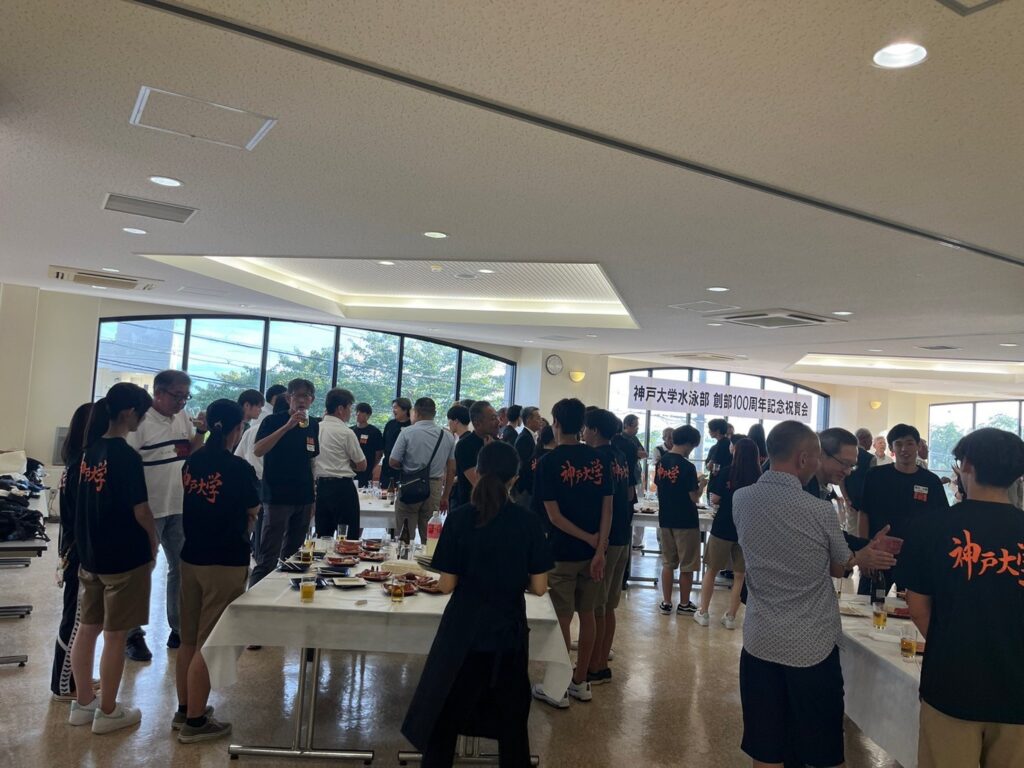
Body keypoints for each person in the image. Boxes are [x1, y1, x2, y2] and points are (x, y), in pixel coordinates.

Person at [732, 421, 895, 768]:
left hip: (759, 639)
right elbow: (840, 565)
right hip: (811, 644)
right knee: (822, 749)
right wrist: (863, 557)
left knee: (767, 745)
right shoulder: (819, 511)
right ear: (804, 458)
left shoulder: (741, 499)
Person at [401, 440, 552, 768]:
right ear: (514, 478)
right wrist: (514, 578)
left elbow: (447, 584)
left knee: (445, 714)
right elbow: (540, 588)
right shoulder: (528, 522)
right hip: (507, 632)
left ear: (478, 473)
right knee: (512, 721)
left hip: (462, 631)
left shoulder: (459, 519)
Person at [903, 428, 1024, 768]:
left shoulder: (931, 526)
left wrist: (950, 644)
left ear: (967, 465)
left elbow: (917, 607)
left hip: (952, 683)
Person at [70, 383, 158, 734]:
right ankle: (108, 711)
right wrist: (153, 542)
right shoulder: (127, 457)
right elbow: (141, 511)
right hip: (124, 556)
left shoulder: (87, 452)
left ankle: (83, 704)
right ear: (129, 413)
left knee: (88, 628)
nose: (142, 420)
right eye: (142, 414)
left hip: (91, 554)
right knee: (116, 635)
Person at [175, 399, 260, 743]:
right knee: (209, 642)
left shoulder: (192, 462)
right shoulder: (239, 468)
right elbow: (253, 508)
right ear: (237, 429)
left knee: (189, 639)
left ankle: (184, 709)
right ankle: (196, 723)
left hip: (191, 557)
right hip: (224, 560)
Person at [532, 398, 611, 709]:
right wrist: (599, 547)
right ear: (581, 425)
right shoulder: (599, 460)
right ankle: (581, 681)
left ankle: (560, 687)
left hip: (561, 552)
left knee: (562, 619)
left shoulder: (548, 462)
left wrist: (590, 539)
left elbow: (554, 517)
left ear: (556, 423)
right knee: (588, 615)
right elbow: (608, 509)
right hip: (594, 555)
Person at [124, 369, 207, 659]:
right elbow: (126, 466)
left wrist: (200, 432)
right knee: (142, 570)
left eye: (186, 396)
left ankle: (180, 629)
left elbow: (192, 453)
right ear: (158, 393)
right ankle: (132, 634)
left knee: (181, 568)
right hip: (148, 509)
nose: (182, 402)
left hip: (180, 506)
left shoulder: (182, 417)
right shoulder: (140, 422)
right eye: (177, 396)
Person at [859, 424, 948, 590]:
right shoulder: (875, 475)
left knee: (912, 604)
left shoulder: (931, 481)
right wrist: (864, 550)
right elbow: (864, 514)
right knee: (869, 601)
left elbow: (941, 521)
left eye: (909, 443)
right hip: (879, 553)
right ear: (891, 448)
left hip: (916, 557)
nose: (904, 449)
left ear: (918, 446)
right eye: (898, 444)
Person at [249, 378, 320, 587]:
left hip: (304, 496)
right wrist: (287, 426)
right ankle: (254, 597)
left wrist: (313, 497)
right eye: (298, 396)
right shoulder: (272, 421)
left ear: (312, 400)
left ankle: (283, 595)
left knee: (294, 556)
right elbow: (258, 450)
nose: (302, 400)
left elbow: (311, 460)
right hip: (277, 496)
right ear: (289, 398)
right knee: (268, 554)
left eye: (306, 396)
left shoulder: (313, 424)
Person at [583, 409, 631, 685]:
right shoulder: (620, 456)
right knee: (609, 604)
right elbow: (629, 494)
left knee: (597, 606)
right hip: (622, 535)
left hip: (606, 539)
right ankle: (600, 660)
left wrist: (599, 544)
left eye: (586, 428)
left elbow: (601, 504)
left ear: (595, 430)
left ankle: (595, 666)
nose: (583, 432)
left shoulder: (597, 458)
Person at [50, 402, 94, 702]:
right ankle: (64, 685)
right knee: (75, 619)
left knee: (77, 617)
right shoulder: (82, 466)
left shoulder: (77, 460)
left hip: (73, 547)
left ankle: (75, 676)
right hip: (78, 551)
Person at [694, 437, 759, 630]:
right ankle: (731, 617)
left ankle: (704, 613)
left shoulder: (726, 472)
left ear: (736, 451)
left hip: (723, 526)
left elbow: (715, 498)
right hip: (746, 530)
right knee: (740, 575)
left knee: (712, 570)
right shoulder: (759, 476)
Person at [389, 398, 457, 542]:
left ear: (416, 412)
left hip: (410, 485)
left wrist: (406, 466)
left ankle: (404, 556)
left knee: (405, 535)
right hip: (434, 487)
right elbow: (451, 469)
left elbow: (393, 461)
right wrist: (445, 496)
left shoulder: (407, 432)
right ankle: (429, 556)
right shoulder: (447, 436)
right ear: (434, 413)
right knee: (430, 537)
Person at [655, 425, 706, 615]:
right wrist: (702, 485)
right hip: (686, 521)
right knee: (687, 565)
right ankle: (684, 604)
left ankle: (666, 602)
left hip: (665, 518)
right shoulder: (687, 466)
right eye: (692, 446)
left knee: (668, 563)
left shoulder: (661, 463)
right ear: (688, 443)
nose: (691, 450)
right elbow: (694, 497)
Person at [314, 388, 367, 539]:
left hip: (321, 487)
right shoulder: (346, 432)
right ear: (340, 409)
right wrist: (348, 462)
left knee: (323, 536)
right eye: (350, 408)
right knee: (349, 537)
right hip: (342, 488)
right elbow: (362, 465)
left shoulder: (315, 428)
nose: (351, 412)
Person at [454, 401, 498, 510]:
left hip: (497, 504)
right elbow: (478, 482)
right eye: (493, 418)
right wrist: (488, 452)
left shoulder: (499, 443)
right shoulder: (465, 445)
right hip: (472, 506)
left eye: (497, 417)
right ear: (477, 424)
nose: (498, 422)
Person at [615, 414, 645, 551]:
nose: (637, 429)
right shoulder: (624, 443)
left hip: (633, 479)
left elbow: (644, 453)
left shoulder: (633, 440)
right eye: (635, 426)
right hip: (627, 483)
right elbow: (639, 454)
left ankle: (635, 543)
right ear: (626, 425)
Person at [511, 406, 541, 508]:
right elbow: (524, 466)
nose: (540, 421)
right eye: (538, 418)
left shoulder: (531, 436)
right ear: (528, 420)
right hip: (525, 487)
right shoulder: (524, 438)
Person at [380, 397, 412, 490]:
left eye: (395, 407)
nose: (393, 410)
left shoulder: (412, 425)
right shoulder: (390, 424)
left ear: (405, 409)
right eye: (393, 408)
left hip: (404, 470)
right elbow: (384, 444)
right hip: (387, 468)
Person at [351, 403, 384, 488]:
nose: (358, 414)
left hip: (367, 470)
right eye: (357, 411)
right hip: (350, 469)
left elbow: (379, 453)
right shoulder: (350, 431)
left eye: (362, 412)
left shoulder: (374, 432)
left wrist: (373, 467)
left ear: (368, 415)